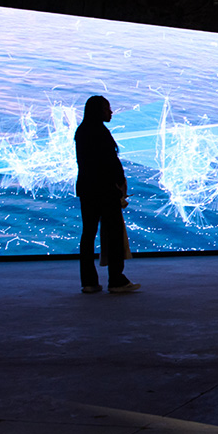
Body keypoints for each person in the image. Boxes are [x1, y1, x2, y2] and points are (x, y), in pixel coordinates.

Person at [75, 95, 140, 293]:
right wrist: (120, 184)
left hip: (87, 189)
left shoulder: (82, 131)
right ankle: (116, 280)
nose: (111, 112)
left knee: (88, 234)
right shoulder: (101, 133)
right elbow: (110, 163)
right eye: (107, 109)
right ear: (98, 111)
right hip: (105, 190)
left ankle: (89, 282)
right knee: (113, 235)